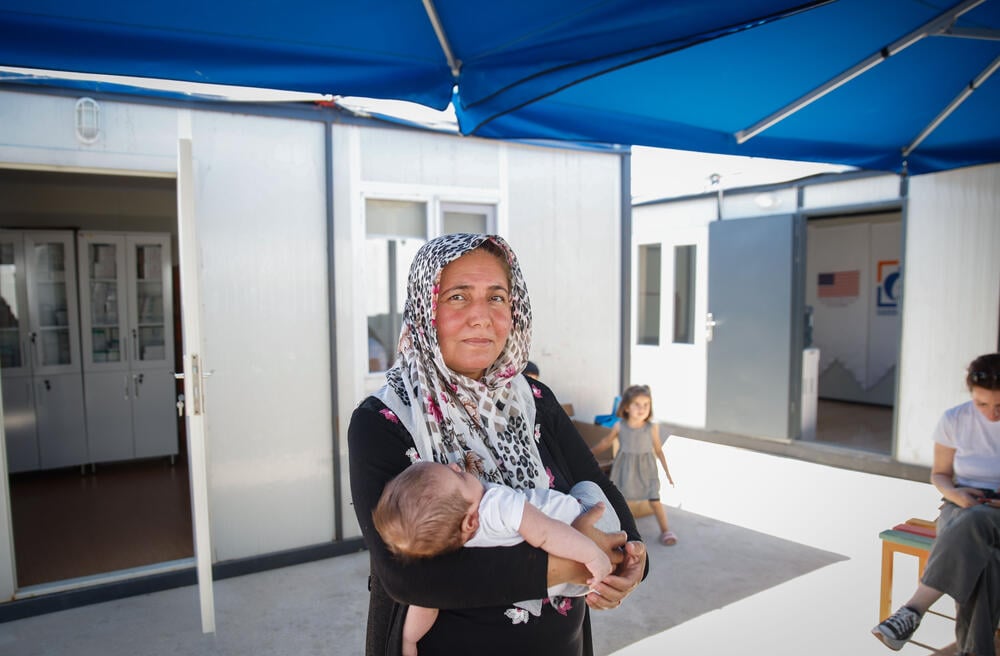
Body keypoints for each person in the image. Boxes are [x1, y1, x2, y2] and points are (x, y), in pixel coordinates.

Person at [348, 233, 648, 656]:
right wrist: (576, 562)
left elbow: (595, 482)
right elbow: (406, 576)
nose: (481, 317)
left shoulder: (533, 400)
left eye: (496, 297)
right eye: (457, 297)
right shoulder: (385, 420)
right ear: (425, 309)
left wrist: (632, 561)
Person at [373, 460, 621, 656]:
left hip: (562, 586)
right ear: (470, 521)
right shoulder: (495, 504)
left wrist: (407, 641)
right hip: (591, 540)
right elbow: (546, 533)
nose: (455, 466)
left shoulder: (448, 546)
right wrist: (592, 554)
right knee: (588, 487)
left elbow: (424, 604)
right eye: (458, 476)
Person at [873, 353, 1000, 654]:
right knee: (988, 560)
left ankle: (913, 609)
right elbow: (940, 475)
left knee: (975, 523)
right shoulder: (955, 419)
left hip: (986, 514)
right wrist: (958, 496)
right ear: (971, 394)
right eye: (982, 404)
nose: (991, 414)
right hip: (961, 502)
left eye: (999, 406)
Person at [590, 384, 677, 546]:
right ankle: (623, 532)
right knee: (622, 503)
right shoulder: (619, 426)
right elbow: (604, 443)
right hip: (625, 470)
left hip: (647, 470)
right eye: (637, 404)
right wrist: (587, 454)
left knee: (655, 500)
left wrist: (667, 473)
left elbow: (658, 450)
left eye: (646, 404)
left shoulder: (652, 427)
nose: (642, 408)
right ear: (627, 407)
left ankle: (665, 530)